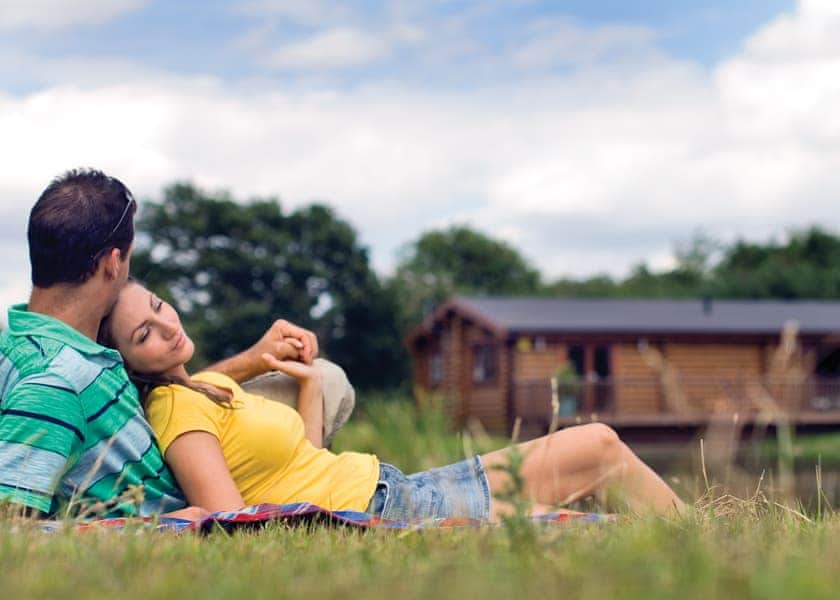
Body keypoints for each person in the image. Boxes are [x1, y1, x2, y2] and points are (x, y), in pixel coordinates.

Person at [100, 279, 686, 521]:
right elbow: (231, 520)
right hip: (386, 510)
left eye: (157, 306)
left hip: (392, 485)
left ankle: (698, 543)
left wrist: (307, 384)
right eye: (144, 334)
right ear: (127, 360)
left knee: (594, 471)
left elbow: (302, 459)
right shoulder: (174, 412)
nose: (166, 325)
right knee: (601, 447)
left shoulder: (209, 385)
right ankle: (710, 541)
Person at [0, 169, 332, 519]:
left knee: (324, 375)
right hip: (200, 494)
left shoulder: (30, 343)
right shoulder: (56, 383)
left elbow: (159, 389)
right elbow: (11, 530)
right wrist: (161, 526)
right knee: (326, 379)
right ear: (113, 263)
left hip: (192, 444)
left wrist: (253, 360)